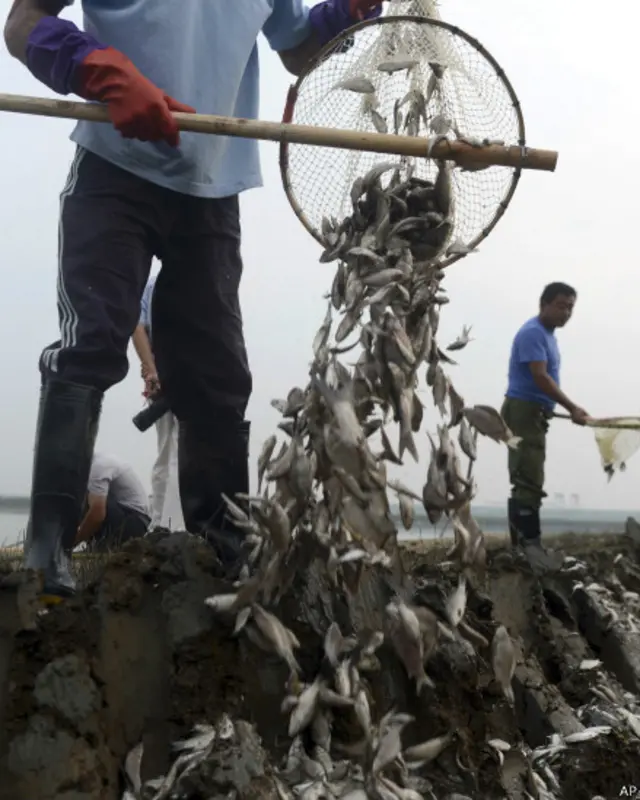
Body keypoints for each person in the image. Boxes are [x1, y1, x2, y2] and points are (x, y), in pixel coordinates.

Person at [5, 0, 385, 598]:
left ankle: (225, 555)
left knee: (217, 376)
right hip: (112, 169)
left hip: (213, 188)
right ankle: (46, 551)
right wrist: (97, 70)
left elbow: (295, 49)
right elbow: (22, 23)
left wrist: (344, 15)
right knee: (90, 345)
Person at [502, 282, 590, 571]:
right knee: (527, 477)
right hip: (524, 412)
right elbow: (540, 377)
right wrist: (572, 407)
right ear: (544, 304)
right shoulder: (533, 333)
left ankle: (527, 545)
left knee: (530, 476)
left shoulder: (548, 335)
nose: (566, 313)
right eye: (561, 306)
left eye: (570, 308)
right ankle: (529, 547)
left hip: (535, 413)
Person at [132, 274, 185, 532]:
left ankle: (157, 526)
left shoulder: (150, 285)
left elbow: (137, 326)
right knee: (181, 451)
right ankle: (173, 526)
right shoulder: (194, 279)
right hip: (187, 375)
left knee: (165, 452)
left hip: (161, 376)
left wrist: (150, 368)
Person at [76, 452, 150, 552]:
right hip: (133, 516)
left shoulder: (98, 467)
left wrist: (74, 541)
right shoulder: (97, 462)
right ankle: (98, 545)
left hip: (135, 521)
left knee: (88, 501)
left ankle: (102, 546)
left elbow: (97, 514)